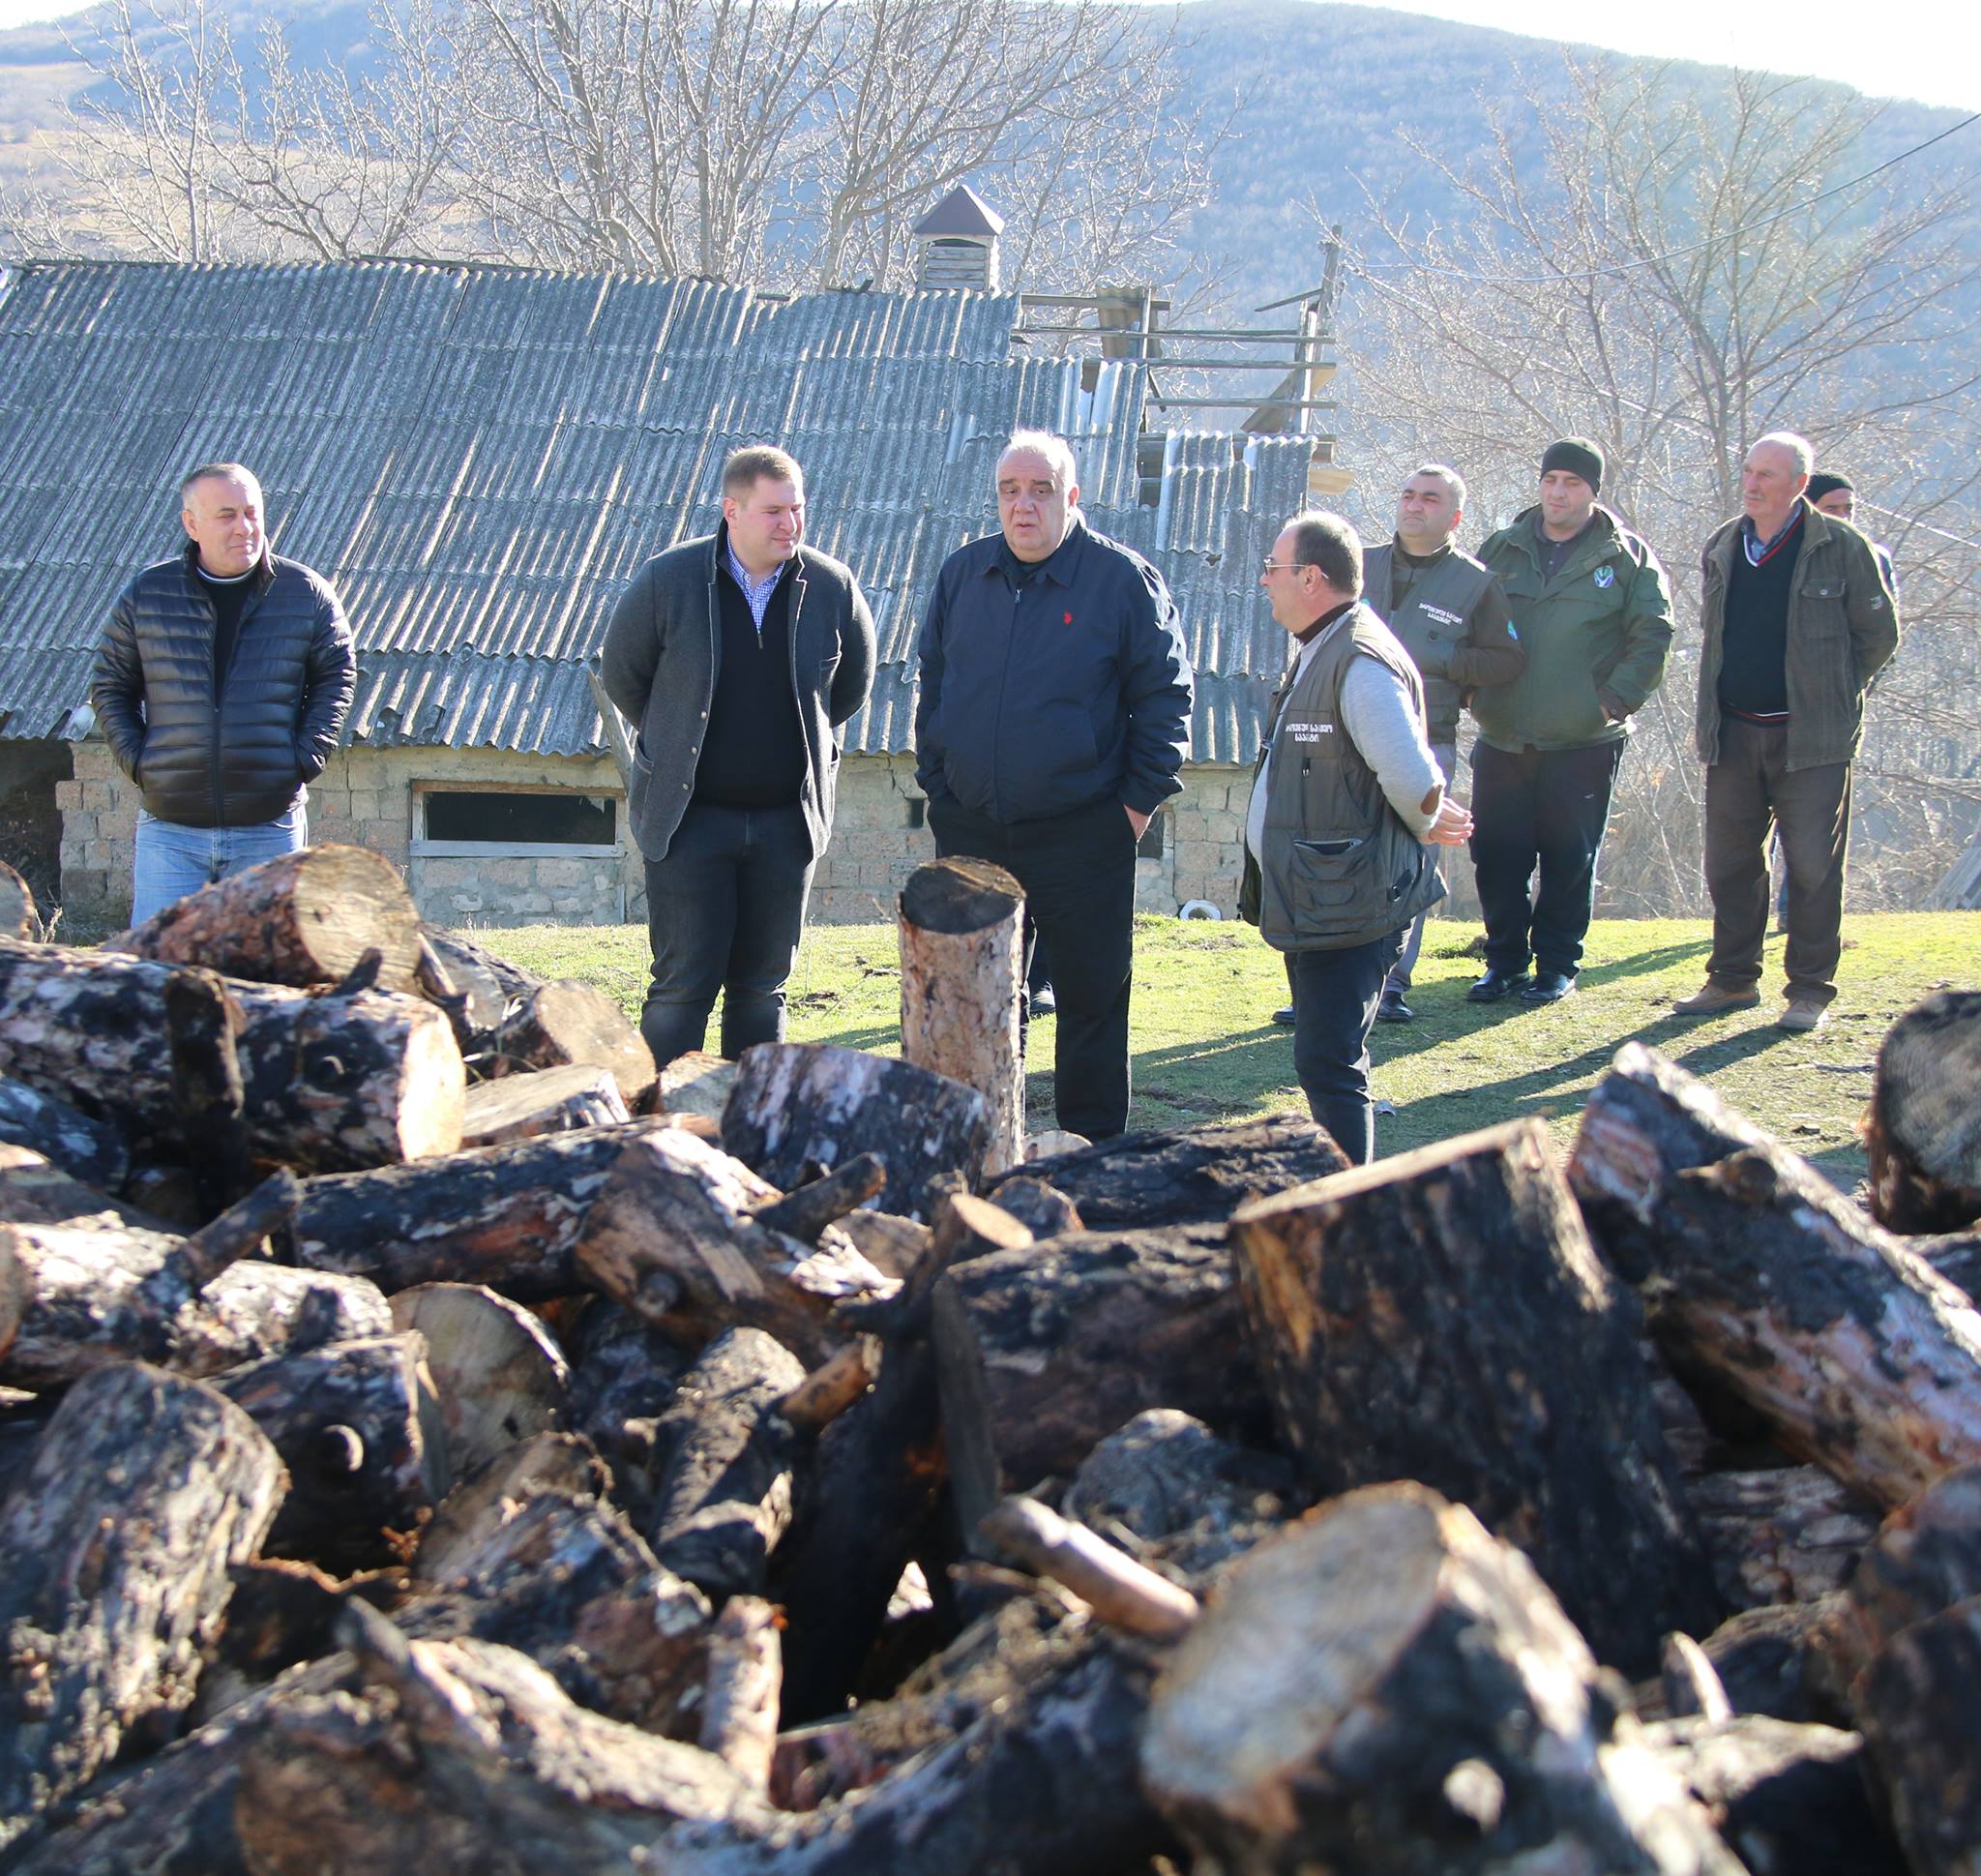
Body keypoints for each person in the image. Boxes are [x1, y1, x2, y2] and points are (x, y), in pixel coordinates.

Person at [914, 429, 1192, 1140]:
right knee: (977, 998)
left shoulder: (1121, 581)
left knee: (1091, 998)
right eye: (1010, 490)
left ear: (1072, 496)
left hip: (1084, 831)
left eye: (1041, 490)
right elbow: (934, 684)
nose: (1024, 505)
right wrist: (939, 787)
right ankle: (982, 1147)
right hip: (974, 830)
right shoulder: (963, 574)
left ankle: (1090, 1153)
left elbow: (1165, 698)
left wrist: (1133, 809)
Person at [599, 444, 875, 1069]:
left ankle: (749, 1118)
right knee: (681, 987)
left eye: (797, 509)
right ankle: (662, 1117)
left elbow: (850, 688)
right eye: (774, 511)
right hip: (688, 820)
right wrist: (676, 738)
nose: (790, 524)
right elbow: (623, 676)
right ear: (732, 511)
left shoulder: (831, 587)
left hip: (786, 822)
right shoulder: (667, 580)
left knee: (762, 989)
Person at [1239, 510, 1471, 1162]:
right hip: (1323, 897)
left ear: (1311, 578)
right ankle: (1342, 1192)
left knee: (1330, 1060)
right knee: (1325, 1057)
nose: (1265, 580)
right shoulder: (1327, 643)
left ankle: (1349, 1199)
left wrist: (1427, 812)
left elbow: (1409, 773)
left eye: (1274, 568)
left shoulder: (1359, 658)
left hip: (1350, 902)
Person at [1671, 432, 1899, 1033]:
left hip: (1812, 742)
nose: (1752, 484)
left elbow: (1878, 637)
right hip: (1732, 732)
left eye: (1767, 475)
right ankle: (1732, 980)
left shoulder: (1842, 546)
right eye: (1749, 471)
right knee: (1729, 864)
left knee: (1813, 867)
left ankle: (1809, 991)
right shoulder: (1724, 544)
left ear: (1799, 484)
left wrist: (1833, 696)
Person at [91, 462, 356, 926]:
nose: (244, 527)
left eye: (252, 513)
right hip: (170, 832)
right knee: (161, 964)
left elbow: (337, 675)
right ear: (191, 524)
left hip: (268, 827)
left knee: (265, 966)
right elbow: (111, 685)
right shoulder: (147, 594)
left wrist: (303, 759)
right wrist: (141, 763)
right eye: (227, 515)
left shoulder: (305, 593)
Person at [1469, 437, 1673, 1004]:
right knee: (1497, 854)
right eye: (1551, 480)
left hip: (1583, 737)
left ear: (1593, 491)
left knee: (1568, 855)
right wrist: (1470, 687)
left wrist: (1611, 702)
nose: (1558, 493)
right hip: (1504, 732)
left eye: (1573, 483)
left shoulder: (1625, 557)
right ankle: (1504, 962)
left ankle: (1557, 965)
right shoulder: (1503, 547)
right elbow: (1465, 618)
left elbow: (1653, 634)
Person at [1361, 462, 1523, 1020]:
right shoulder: (1360, 564)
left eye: (1429, 499)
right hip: (1348, 737)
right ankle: (1329, 987)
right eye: (1408, 494)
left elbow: (1506, 660)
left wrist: (1445, 659)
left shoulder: (1475, 583)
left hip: (1427, 740)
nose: (1414, 505)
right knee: (1341, 860)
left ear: (1454, 517)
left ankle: (1390, 986)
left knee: (1410, 860)